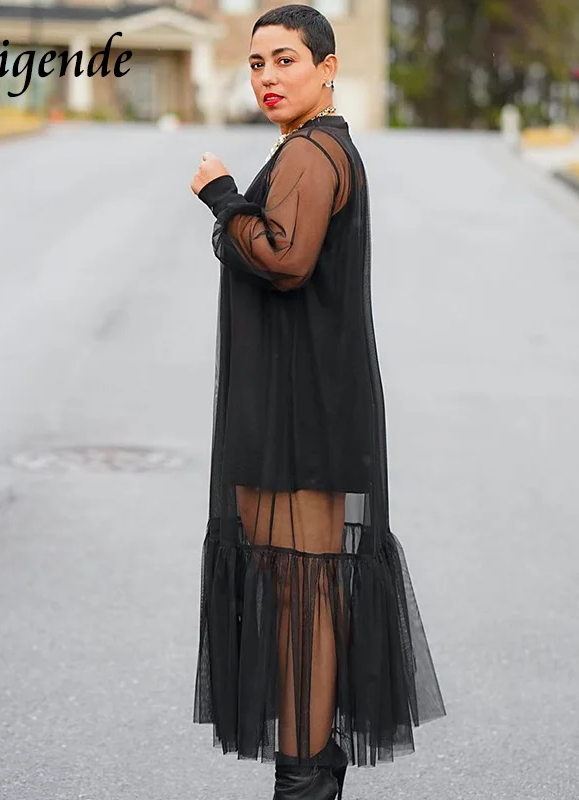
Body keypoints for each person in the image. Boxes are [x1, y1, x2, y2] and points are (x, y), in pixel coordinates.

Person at [189, 6, 446, 798]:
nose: (267, 77)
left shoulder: (311, 151)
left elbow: (284, 257)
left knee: (303, 593)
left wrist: (221, 195)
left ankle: (305, 780)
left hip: (302, 414)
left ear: (327, 68)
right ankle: (309, 770)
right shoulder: (312, 147)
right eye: (257, 63)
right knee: (300, 592)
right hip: (298, 403)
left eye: (286, 60)